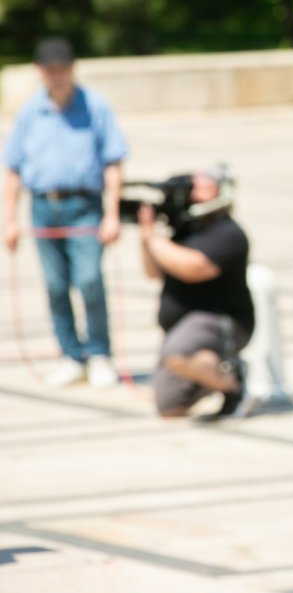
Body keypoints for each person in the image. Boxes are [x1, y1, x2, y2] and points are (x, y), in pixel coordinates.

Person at [2, 37, 127, 388]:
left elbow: (114, 161)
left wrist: (112, 214)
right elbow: (12, 168)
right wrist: (9, 220)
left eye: (63, 70)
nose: (57, 77)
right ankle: (71, 355)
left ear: (72, 69)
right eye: (50, 71)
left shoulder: (95, 106)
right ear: (39, 73)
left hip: (84, 205)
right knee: (55, 286)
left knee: (88, 280)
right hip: (43, 207)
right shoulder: (30, 112)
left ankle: (100, 353)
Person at [138, 166, 255, 418]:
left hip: (218, 319)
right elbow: (153, 272)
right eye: (194, 188)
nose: (196, 194)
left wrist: (154, 240)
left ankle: (234, 382)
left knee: (178, 353)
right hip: (182, 327)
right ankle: (213, 373)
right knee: (169, 406)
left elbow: (194, 268)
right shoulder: (183, 232)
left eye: (204, 187)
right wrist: (146, 237)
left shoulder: (229, 233)